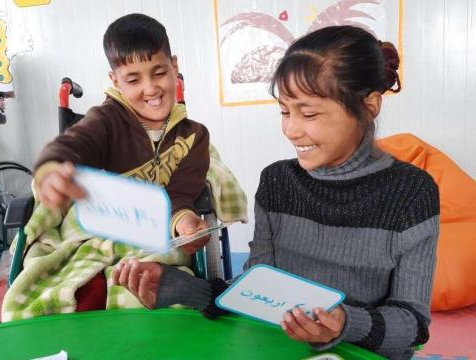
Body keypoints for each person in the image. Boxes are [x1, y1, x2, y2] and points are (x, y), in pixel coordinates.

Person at [112, 26, 439, 360]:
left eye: (308, 113)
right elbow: (257, 291)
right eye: (284, 110)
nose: (291, 130)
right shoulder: (278, 182)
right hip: (277, 349)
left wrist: (344, 324)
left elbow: (412, 324)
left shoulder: (411, 193)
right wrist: (181, 289)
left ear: (369, 105)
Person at [31, 13, 210, 309]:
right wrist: (54, 169)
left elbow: (179, 196)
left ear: (174, 66)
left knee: (155, 295)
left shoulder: (194, 137)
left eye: (159, 72)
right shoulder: (105, 120)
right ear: (115, 80)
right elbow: (75, 144)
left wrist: (187, 224)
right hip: (99, 231)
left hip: (155, 234)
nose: (151, 89)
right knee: (75, 296)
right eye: (133, 79)